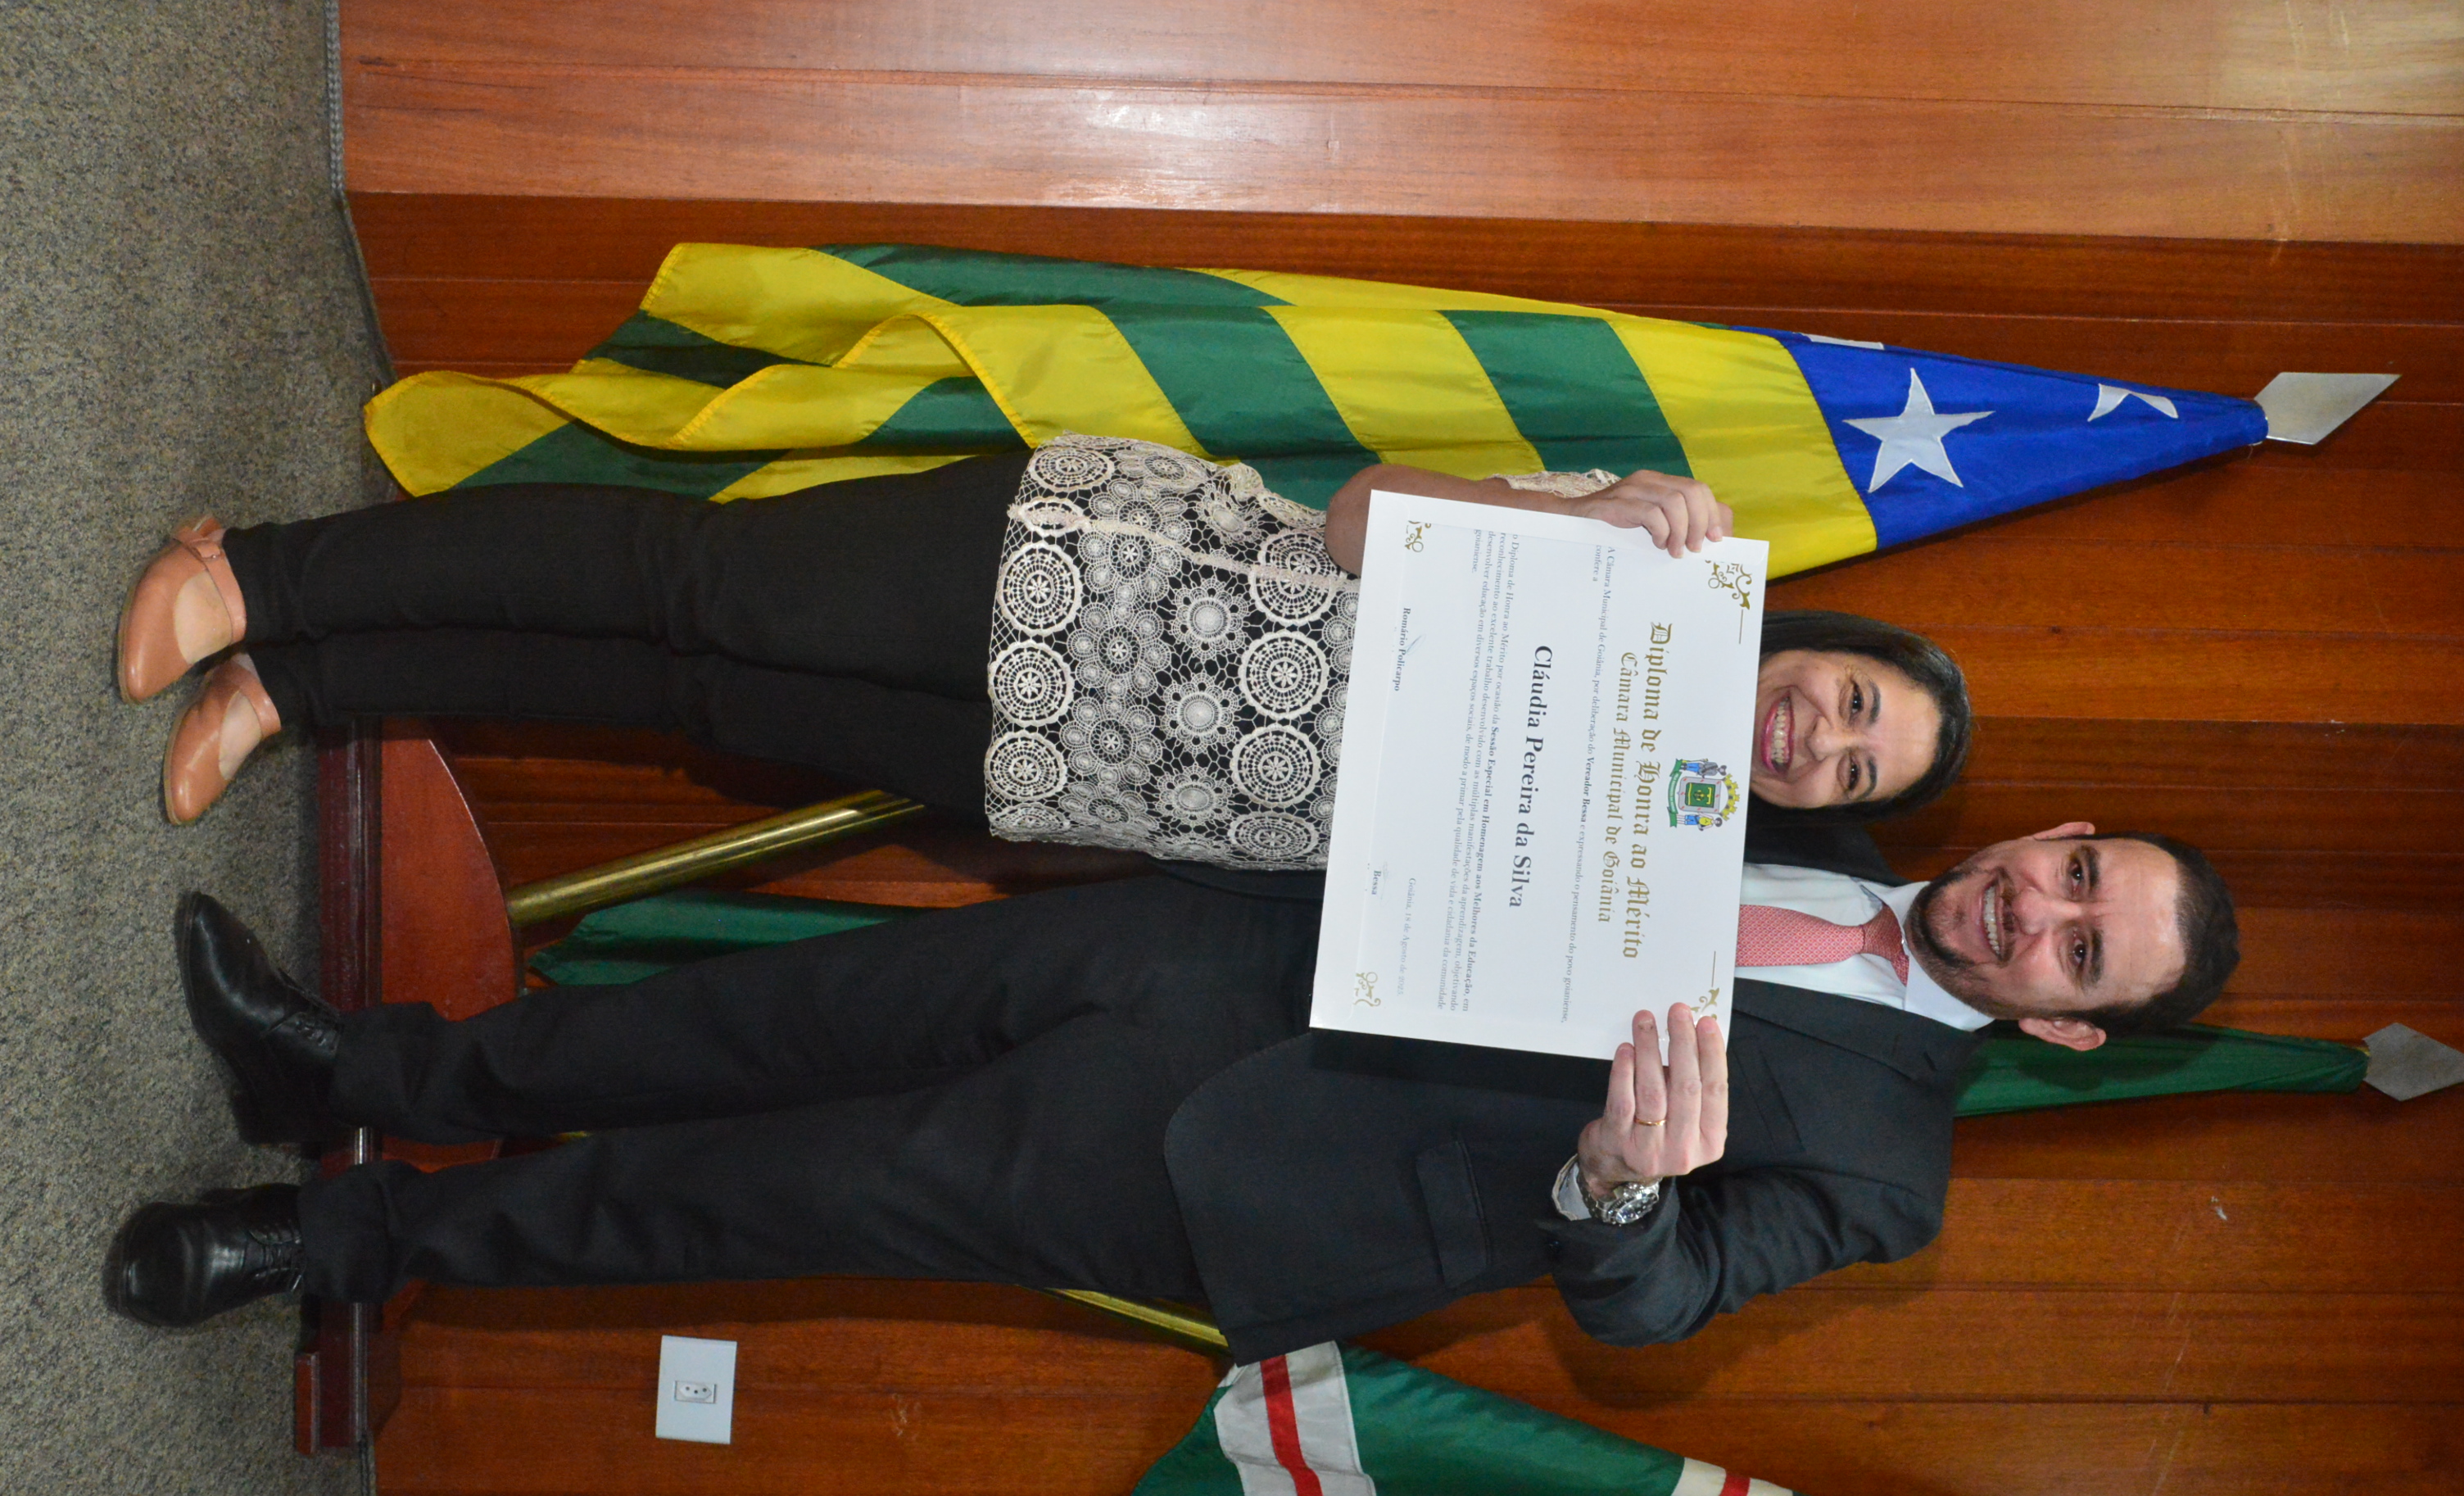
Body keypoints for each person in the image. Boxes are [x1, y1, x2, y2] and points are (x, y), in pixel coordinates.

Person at [106, 811, 2238, 1359]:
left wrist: (1617, 1184)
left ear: (2067, 1027)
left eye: (2083, 948)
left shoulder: (1885, 1175)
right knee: (768, 1019)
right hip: (1214, 945)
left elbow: (1658, 1304)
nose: (2036, 907)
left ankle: (340, 1240)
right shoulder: (1813, 789)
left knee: (764, 1192)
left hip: (1238, 1167)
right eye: (2078, 867)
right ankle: (353, 1065)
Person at [115, 441, 1969, 853]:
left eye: (1851, 770)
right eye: (1851, 699)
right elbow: (1354, 522)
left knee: (688, 701)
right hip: (1073, 572)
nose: (1817, 737)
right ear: (1822, 645)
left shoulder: (1632, 880)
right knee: (698, 584)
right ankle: (263, 574)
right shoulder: (1647, 550)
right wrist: (1577, 515)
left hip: (1078, 774)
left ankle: (306, 689)